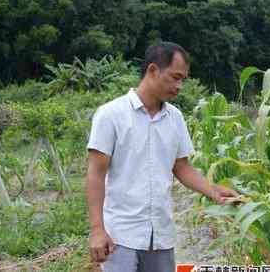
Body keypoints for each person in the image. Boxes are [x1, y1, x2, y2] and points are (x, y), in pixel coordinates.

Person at [86, 41, 238, 272]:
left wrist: (214, 191)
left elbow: (182, 167)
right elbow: (96, 174)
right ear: (153, 70)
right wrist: (97, 229)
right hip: (121, 235)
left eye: (183, 80)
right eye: (175, 77)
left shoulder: (175, 118)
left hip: (161, 235)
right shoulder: (111, 115)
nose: (180, 86)